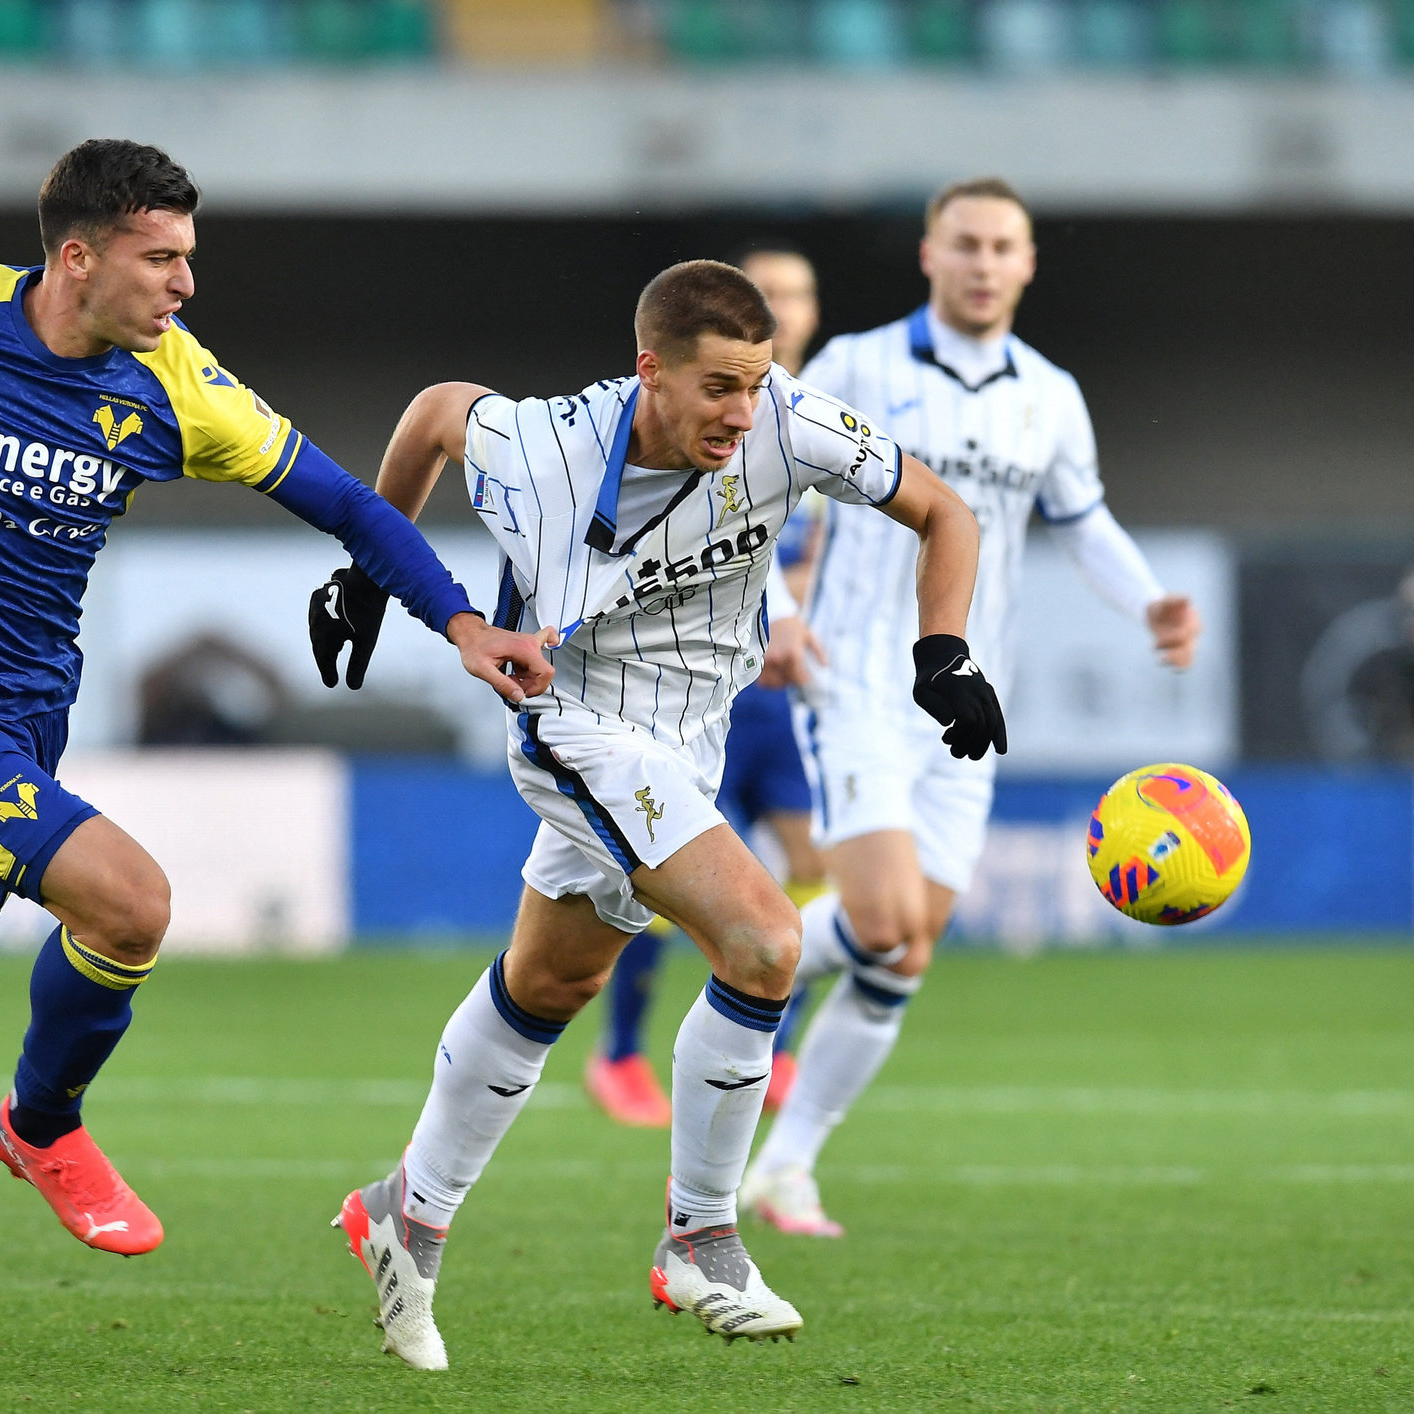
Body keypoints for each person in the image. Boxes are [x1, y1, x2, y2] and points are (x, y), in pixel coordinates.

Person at [0, 139, 554, 1342]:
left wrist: (455, 618)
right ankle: (40, 1124)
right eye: (163, 258)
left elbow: (348, 503)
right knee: (129, 904)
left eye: (189, 257)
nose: (185, 283)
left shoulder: (177, 385)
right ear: (78, 257)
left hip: (23, 725)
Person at [308, 259, 996, 1367]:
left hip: (690, 740)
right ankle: (701, 1236)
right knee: (765, 939)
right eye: (717, 386)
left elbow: (942, 511)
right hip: (568, 720)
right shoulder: (544, 448)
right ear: (649, 372)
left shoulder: (787, 421)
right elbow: (438, 413)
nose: (742, 411)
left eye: (754, 382)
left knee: (552, 981)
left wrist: (943, 650)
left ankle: (406, 1211)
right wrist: (363, 568)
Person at [742, 178, 1200, 1239]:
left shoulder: (1048, 393)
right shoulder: (856, 363)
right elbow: (763, 486)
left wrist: (1149, 602)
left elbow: (1081, 520)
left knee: (908, 948)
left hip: (962, 696)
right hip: (853, 673)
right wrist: (773, 608)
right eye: (966, 244)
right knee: (883, 918)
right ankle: (747, 938)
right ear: (928, 256)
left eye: (1003, 245)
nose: (984, 262)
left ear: (1027, 263)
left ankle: (787, 1165)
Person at [585, 239, 831, 1127]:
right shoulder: (694, 434)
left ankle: (776, 1049)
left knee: (809, 865)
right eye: (770, 292)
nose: (786, 307)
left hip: (780, 700)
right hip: (691, 696)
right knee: (659, 882)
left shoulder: (816, 430)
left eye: (797, 293)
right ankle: (620, 1055)